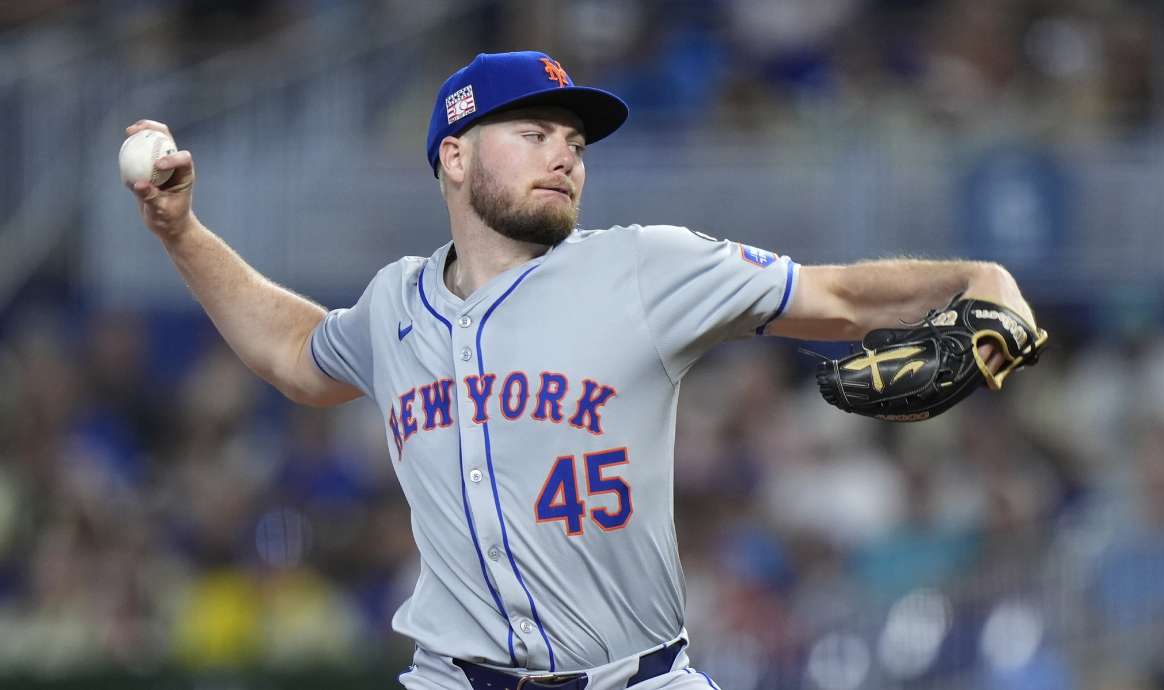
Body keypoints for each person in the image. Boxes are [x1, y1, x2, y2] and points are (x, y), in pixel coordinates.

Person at [126, 50, 1037, 690]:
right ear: (454, 154)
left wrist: (975, 278)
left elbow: (836, 298)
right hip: (451, 677)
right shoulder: (396, 303)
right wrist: (180, 232)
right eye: (534, 131)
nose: (566, 152)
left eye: (576, 140)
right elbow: (294, 351)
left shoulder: (643, 265)